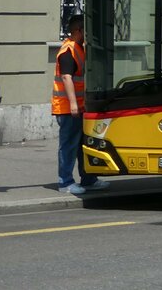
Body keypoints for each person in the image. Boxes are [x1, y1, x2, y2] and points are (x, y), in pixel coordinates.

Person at [53, 15, 108, 195]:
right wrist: (74, 104)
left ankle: (89, 178)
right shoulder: (67, 51)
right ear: (78, 31)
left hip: (79, 107)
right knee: (68, 146)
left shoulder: (79, 48)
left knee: (82, 145)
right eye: (86, 30)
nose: (88, 34)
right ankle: (65, 182)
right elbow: (67, 78)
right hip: (68, 109)